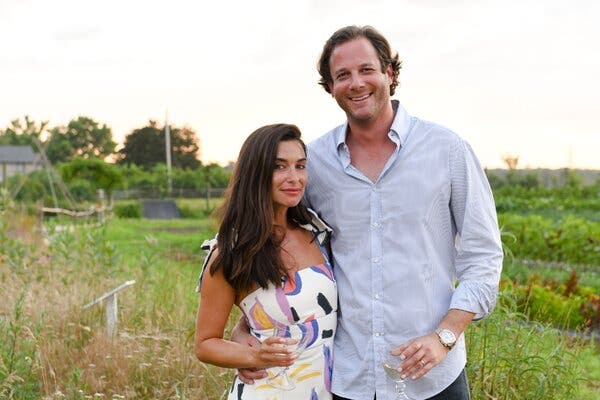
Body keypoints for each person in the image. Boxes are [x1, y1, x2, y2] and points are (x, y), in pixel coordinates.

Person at [234, 26, 503, 400]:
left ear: (389, 74)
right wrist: (244, 326)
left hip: (434, 377)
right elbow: (285, 247)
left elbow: (484, 255)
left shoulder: (448, 150)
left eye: (366, 70)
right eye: (342, 75)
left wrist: (445, 335)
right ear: (330, 87)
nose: (356, 83)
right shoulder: (314, 164)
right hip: (348, 376)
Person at [194, 123, 337, 400]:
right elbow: (205, 344)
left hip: (327, 390)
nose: (295, 177)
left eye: (300, 166)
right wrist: (251, 355)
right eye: (279, 166)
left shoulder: (318, 234)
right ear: (255, 173)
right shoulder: (230, 253)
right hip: (269, 391)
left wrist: (243, 326)